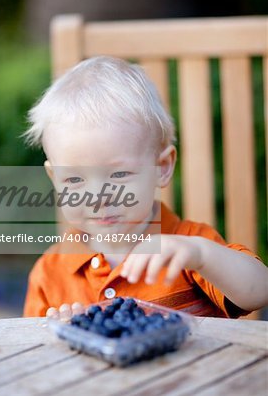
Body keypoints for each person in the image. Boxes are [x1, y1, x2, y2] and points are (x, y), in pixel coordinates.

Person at [23, 56, 268, 319]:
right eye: (74, 180)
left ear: (161, 167)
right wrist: (59, 334)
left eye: (118, 174)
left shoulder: (185, 246)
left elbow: (260, 291)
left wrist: (200, 255)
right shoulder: (50, 271)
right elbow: (31, 352)